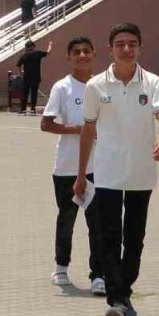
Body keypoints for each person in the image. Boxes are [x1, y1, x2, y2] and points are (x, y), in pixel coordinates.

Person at [76, 22, 159, 316]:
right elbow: (88, 131)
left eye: (132, 43)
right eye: (120, 43)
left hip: (141, 175)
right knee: (109, 238)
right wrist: (81, 175)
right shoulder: (95, 86)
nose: (126, 48)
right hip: (107, 175)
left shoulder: (153, 82)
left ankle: (123, 293)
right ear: (110, 49)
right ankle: (117, 301)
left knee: (134, 240)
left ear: (140, 48)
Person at [41, 36, 104, 296]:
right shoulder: (62, 88)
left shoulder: (102, 86)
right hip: (67, 168)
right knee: (67, 219)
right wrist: (76, 129)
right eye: (76, 52)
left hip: (99, 167)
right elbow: (46, 124)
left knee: (98, 223)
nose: (82, 56)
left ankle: (98, 275)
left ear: (94, 54)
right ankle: (61, 268)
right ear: (68, 57)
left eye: (86, 51)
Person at [16, 39, 53, 116]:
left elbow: (18, 65)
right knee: (34, 93)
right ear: (33, 47)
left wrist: (21, 72)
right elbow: (48, 52)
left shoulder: (24, 56)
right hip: (36, 77)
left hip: (26, 77)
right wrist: (50, 45)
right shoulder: (37, 54)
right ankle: (33, 109)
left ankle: (23, 109)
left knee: (25, 93)